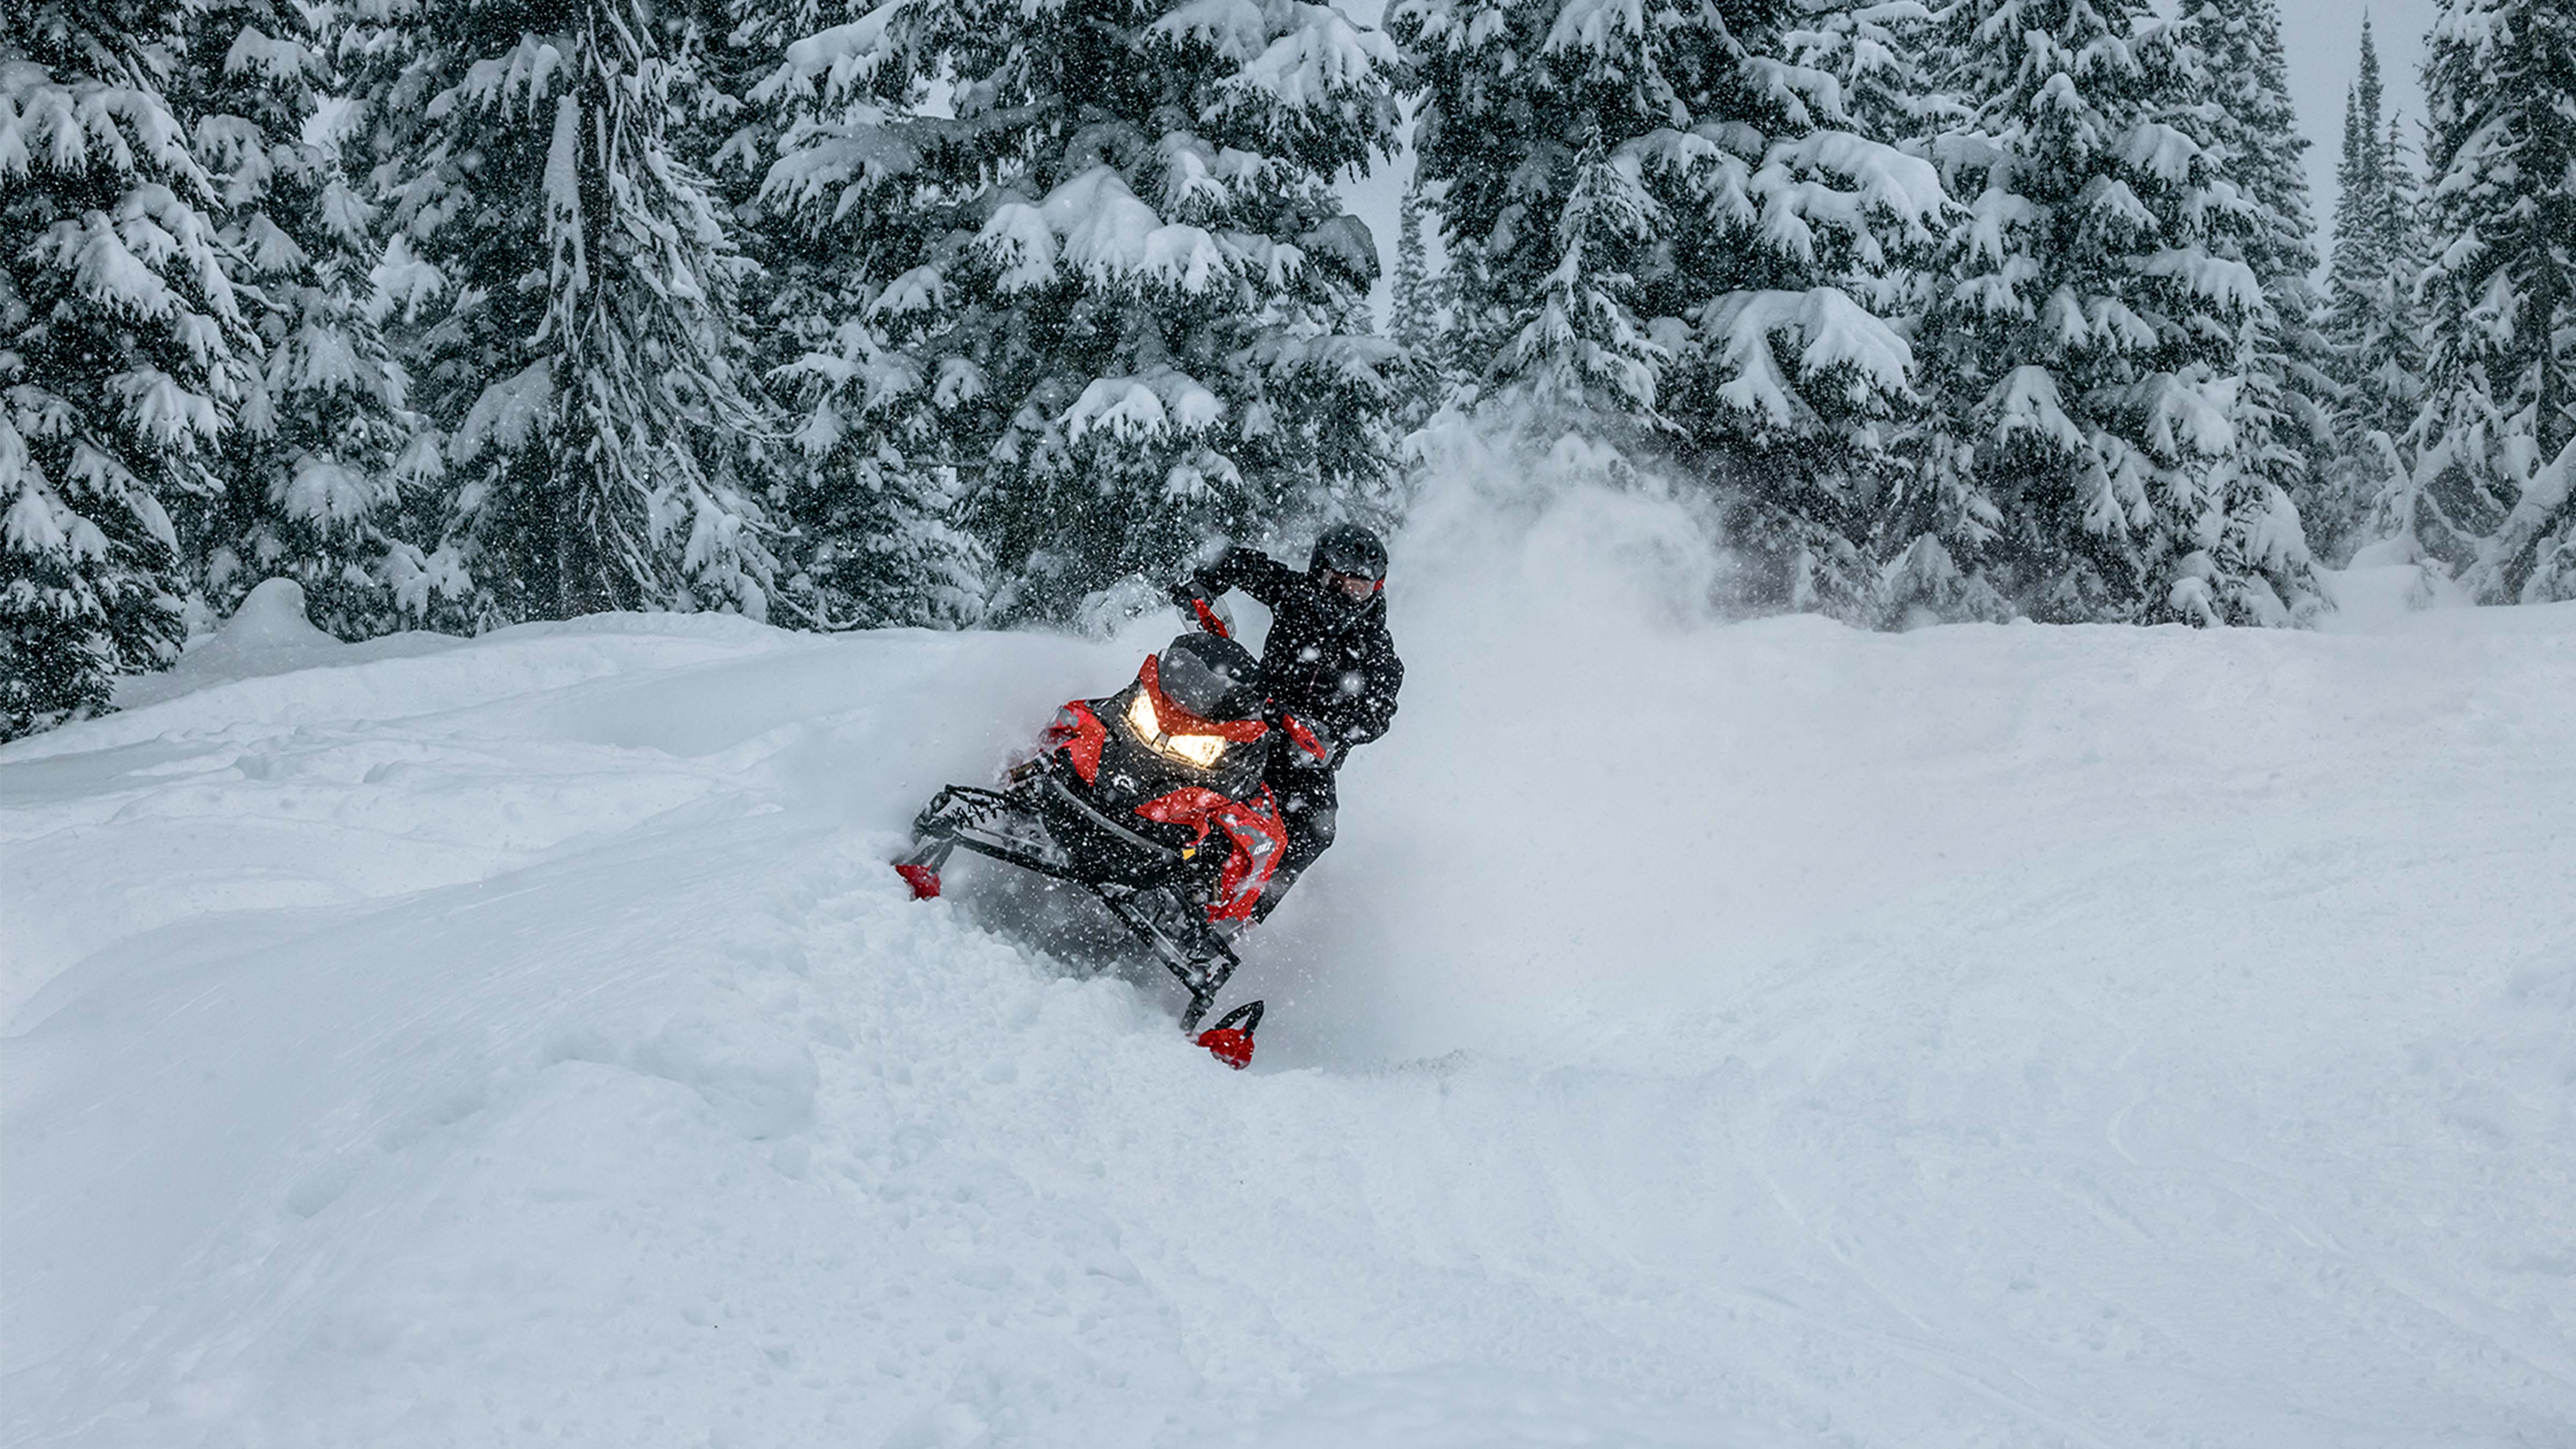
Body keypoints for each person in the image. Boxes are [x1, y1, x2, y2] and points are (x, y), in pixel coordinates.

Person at [1171, 524, 1402, 920]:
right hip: (1249, 714)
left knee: (1316, 828)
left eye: (1358, 587)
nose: (1345, 594)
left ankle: (1237, 916)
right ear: (1318, 573)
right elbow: (1243, 563)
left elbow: (1380, 710)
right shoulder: (1296, 595)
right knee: (1168, 721)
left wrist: (1334, 730)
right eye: (1336, 581)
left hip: (1304, 754)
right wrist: (1204, 584)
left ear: (1375, 588)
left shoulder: (1376, 649)